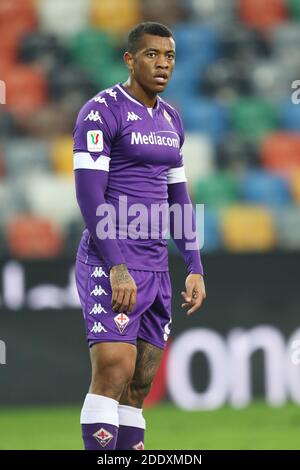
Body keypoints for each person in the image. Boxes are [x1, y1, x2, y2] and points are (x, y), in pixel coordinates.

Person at [73, 21, 206, 451]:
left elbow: (178, 198)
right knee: (113, 371)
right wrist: (117, 267)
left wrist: (194, 265)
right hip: (112, 260)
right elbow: (89, 195)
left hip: (155, 263)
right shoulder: (101, 111)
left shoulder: (171, 119)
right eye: (152, 55)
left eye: (168, 56)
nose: (162, 64)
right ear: (130, 60)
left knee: (138, 385)